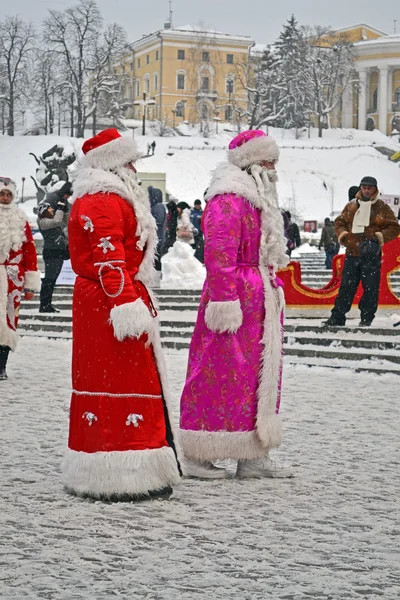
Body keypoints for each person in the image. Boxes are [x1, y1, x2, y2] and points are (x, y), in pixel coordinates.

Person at [62, 128, 180, 500]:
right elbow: (109, 258)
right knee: (119, 380)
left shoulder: (109, 195)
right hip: (109, 303)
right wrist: (125, 303)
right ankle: (122, 470)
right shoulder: (102, 198)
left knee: (128, 379)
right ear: (113, 163)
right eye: (129, 160)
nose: (134, 167)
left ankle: (135, 464)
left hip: (110, 299)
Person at [179, 130, 293, 479]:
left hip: (258, 295)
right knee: (218, 372)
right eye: (268, 161)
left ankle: (253, 453)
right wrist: (225, 300)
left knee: (256, 375)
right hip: (235, 296)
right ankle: (200, 453)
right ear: (251, 163)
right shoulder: (229, 198)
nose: (274, 168)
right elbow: (218, 253)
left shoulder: (254, 196)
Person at [325, 176, 400, 327]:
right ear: (360, 188)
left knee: (370, 288)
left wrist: (378, 238)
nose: (366, 190)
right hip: (352, 254)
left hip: (371, 255)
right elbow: (340, 222)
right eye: (364, 187)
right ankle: (338, 316)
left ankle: (366, 318)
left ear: (375, 189)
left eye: (369, 187)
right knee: (346, 287)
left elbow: (394, 227)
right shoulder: (352, 205)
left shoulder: (382, 207)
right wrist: (344, 235)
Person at [0, 177, 40, 380]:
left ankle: (1, 366)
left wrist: (30, 284)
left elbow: (30, 252)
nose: (5, 198)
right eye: (2, 194)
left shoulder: (20, 219)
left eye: (9, 195)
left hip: (14, 280)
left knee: (9, 321)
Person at [38, 181, 71, 312]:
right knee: (49, 279)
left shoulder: (52, 220)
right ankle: (44, 304)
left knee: (53, 279)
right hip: (51, 252)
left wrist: (65, 209)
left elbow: (64, 223)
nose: (52, 209)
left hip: (58, 251)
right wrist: (60, 208)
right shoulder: (43, 222)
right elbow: (57, 220)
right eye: (50, 209)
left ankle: (47, 304)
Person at [148, 186, 167, 275]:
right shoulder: (157, 206)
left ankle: (157, 274)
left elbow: (158, 220)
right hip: (157, 236)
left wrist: (147, 219)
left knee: (156, 257)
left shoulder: (158, 206)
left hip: (157, 237)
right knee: (156, 257)